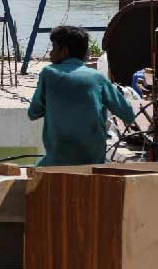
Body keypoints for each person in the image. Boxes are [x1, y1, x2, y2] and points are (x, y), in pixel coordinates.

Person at [28, 25, 135, 167]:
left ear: (64, 51)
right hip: (93, 160)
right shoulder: (98, 78)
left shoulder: (48, 73)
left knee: (35, 175)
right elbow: (128, 115)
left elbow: (33, 113)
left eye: (53, 48)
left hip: (57, 161)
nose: (50, 53)